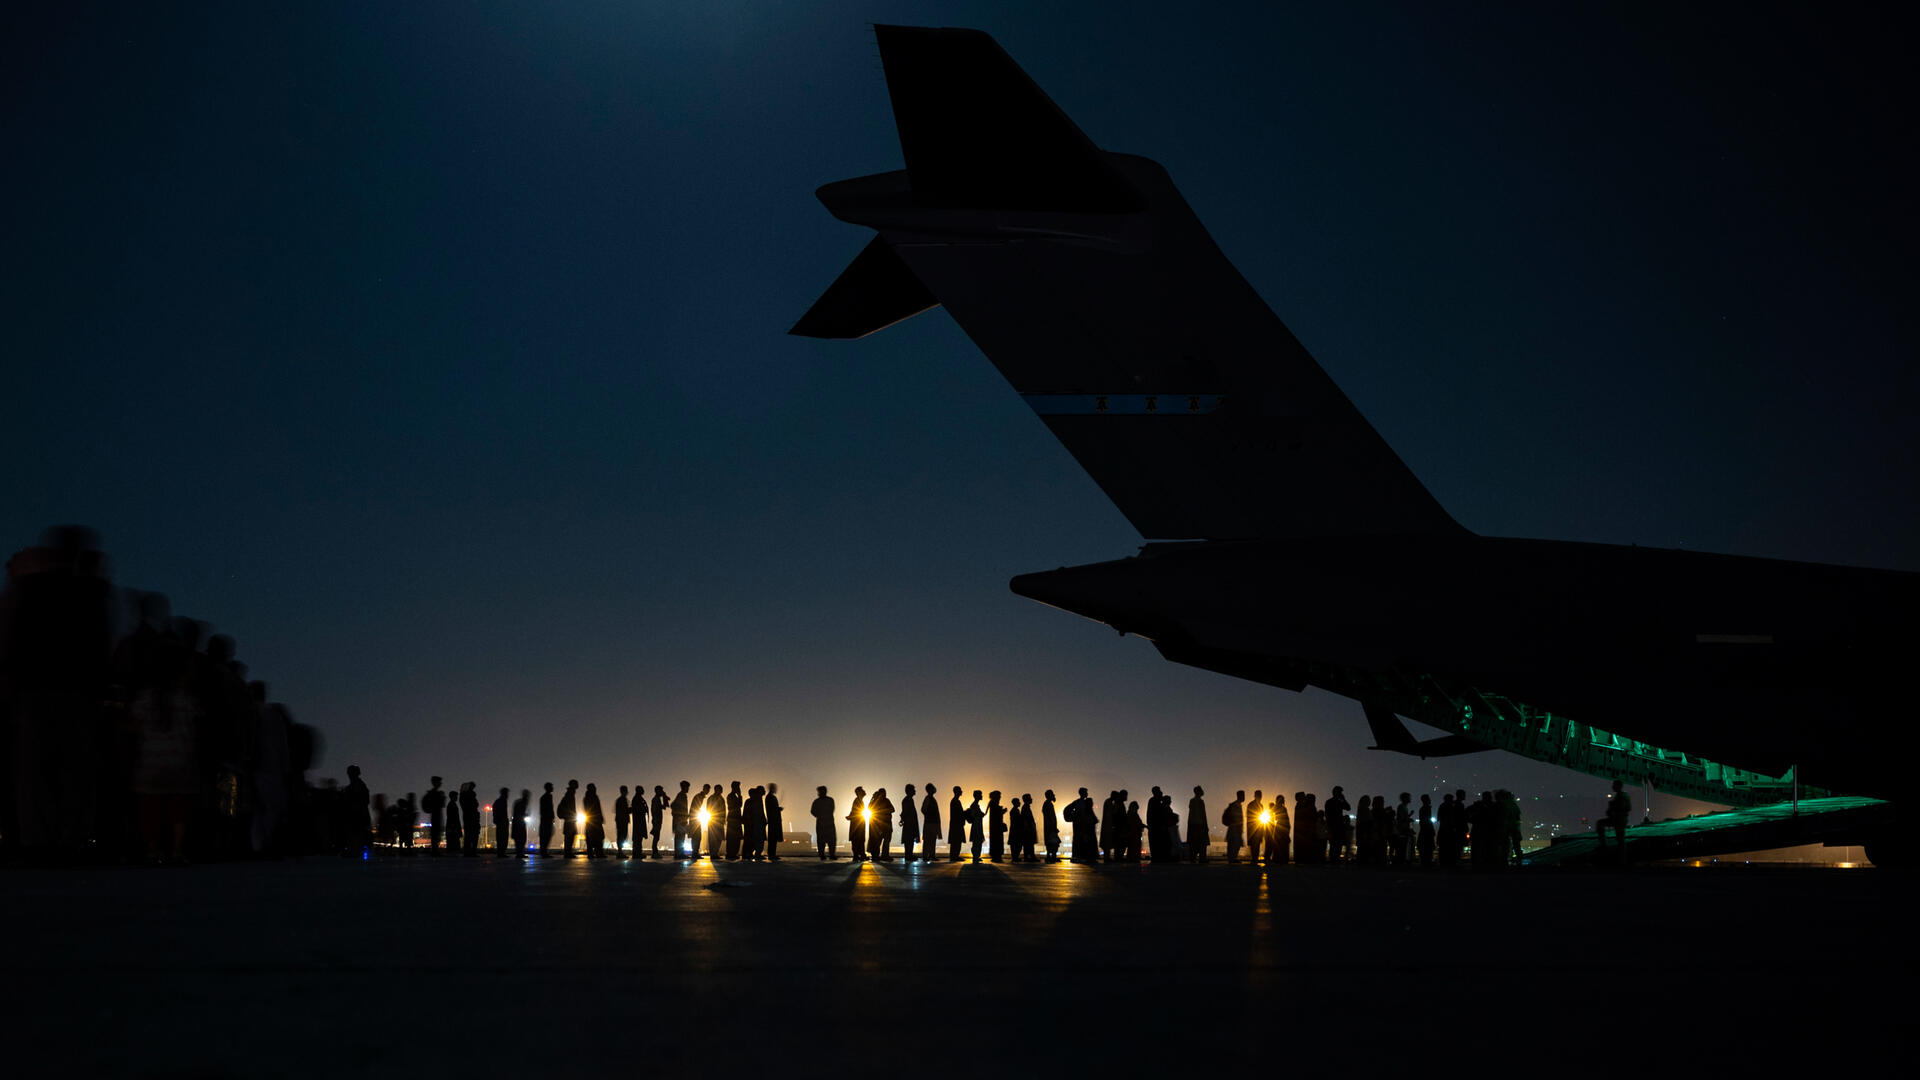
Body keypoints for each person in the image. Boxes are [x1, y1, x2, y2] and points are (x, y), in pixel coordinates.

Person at [1597, 779, 1630, 864]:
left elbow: (1623, 808)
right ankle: (1621, 858)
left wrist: (1613, 809)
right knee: (1620, 839)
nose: (1612, 787)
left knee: (1620, 839)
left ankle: (1621, 858)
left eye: (1614, 785)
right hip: (1619, 819)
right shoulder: (1622, 796)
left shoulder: (1621, 796)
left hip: (1619, 820)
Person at [1066, 787, 1097, 864]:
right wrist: (1074, 817)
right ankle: (1079, 856)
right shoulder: (1078, 802)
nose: (1087, 794)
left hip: (1081, 825)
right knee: (1080, 841)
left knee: (1082, 841)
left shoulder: (1080, 802)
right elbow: (1067, 810)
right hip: (1080, 826)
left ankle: (1082, 856)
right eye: (1086, 792)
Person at [1325, 786, 1351, 864]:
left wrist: (1343, 800)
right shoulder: (1330, 802)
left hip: (1338, 826)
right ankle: (1333, 860)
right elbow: (1328, 816)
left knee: (1337, 844)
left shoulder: (1338, 802)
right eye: (1339, 792)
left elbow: (1348, 808)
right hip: (1334, 826)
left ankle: (1335, 860)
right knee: (1334, 845)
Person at [869, 788, 895, 862]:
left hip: (884, 825)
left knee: (884, 841)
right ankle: (880, 855)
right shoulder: (880, 801)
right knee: (881, 841)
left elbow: (892, 809)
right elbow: (870, 808)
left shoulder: (885, 801)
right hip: (882, 825)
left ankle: (882, 855)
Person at [811, 785, 836, 860]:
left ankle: (823, 855)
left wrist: (819, 816)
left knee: (822, 840)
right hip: (829, 822)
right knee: (830, 840)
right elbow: (832, 810)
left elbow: (813, 811)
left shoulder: (817, 801)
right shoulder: (830, 800)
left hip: (821, 823)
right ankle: (831, 854)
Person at [423, 777, 447, 854]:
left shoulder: (433, 793)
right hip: (436, 815)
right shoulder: (434, 794)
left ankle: (435, 850)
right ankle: (435, 850)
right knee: (435, 833)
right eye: (439, 782)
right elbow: (442, 804)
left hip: (436, 815)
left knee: (436, 833)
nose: (440, 784)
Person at [742, 785, 766, 860]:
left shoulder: (753, 801)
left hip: (753, 824)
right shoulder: (754, 801)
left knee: (751, 840)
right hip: (753, 824)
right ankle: (750, 854)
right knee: (752, 839)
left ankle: (749, 854)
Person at [1499, 789, 1522, 864]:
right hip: (1514, 827)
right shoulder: (1514, 805)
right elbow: (1518, 817)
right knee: (1516, 844)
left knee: (1505, 844)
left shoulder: (1502, 804)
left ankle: (1504, 858)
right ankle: (1518, 857)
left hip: (1506, 827)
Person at [583, 782, 605, 859]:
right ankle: (598, 853)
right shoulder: (592, 797)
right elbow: (597, 809)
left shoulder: (587, 798)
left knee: (591, 838)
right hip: (594, 820)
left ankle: (591, 853)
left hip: (590, 820)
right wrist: (600, 817)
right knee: (597, 837)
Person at [672, 782, 694, 859]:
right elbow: (675, 806)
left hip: (680, 819)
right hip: (680, 820)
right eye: (687, 787)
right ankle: (679, 854)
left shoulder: (680, 795)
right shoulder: (682, 795)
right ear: (684, 787)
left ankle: (679, 853)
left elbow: (673, 805)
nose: (688, 789)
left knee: (680, 837)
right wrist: (682, 816)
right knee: (680, 837)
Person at [1187, 786, 1209, 863]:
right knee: (1202, 842)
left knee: (1194, 843)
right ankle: (1202, 858)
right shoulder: (1200, 801)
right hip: (1200, 825)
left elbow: (1191, 815)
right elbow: (1203, 814)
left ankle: (1193, 858)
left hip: (1192, 825)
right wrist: (1205, 825)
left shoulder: (1192, 801)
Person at [920, 784, 941, 864]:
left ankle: (931, 855)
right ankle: (926, 856)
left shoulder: (931, 799)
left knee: (932, 839)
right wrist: (929, 814)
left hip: (932, 822)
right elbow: (923, 810)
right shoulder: (928, 799)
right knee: (928, 840)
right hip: (930, 823)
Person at [558, 780, 579, 858]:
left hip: (570, 818)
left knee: (570, 835)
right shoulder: (570, 794)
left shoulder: (570, 794)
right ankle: (567, 853)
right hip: (569, 819)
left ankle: (568, 852)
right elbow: (570, 807)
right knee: (569, 835)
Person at [900, 784, 921, 863]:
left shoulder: (908, 800)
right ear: (910, 791)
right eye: (913, 790)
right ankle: (908, 855)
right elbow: (906, 812)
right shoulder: (907, 800)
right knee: (909, 840)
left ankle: (909, 854)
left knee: (910, 840)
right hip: (909, 824)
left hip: (910, 823)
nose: (915, 791)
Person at [1223, 791, 1245, 863]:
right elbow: (1236, 817)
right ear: (1240, 796)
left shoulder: (1236, 804)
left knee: (1234, 844)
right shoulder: (1236, 805)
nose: (1244, 797)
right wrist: (1239, 827)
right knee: (1234, 844)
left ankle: (1232, 858)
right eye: (1243, 795)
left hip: (1234, 828)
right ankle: (1232, 859)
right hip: (1235, 828)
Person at [706, 783, 726, 860]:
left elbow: (724, 810)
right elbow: (709, 809)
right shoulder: (712, 798)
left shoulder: (721, 798)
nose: (721, 791)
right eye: (720, 789)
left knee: (719, 838)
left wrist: (723, 819)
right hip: (713, 821)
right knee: (713, 838)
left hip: (719, 821)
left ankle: (715, 853)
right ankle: (713, 854)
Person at [1099, 790, 1120, 863]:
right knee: (1107, 842)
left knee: (1107, 842)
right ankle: (1106, 858)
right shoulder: (1109, 803)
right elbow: (1113, 813)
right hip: (1108, 825)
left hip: (1107, 825)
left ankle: (1107, 857)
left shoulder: (1108, 801)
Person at [1392, 793, 1414, 866]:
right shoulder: (1401, 807)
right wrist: (1409, 818)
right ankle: (1400, 861)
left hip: (1403, 829)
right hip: (1403, 830)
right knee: (1402, 847)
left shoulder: (1403, 807)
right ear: (1405, 798)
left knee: (1403, 846)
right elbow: (1401, 819)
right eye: (1408, 797)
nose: (1410, 799)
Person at [847, 787, 867, 862]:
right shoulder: (858, 801)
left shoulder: (859, 801)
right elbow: (855, 811)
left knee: (859, 839)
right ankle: (858, 855)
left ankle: (860, 854)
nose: (864, 791)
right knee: (858, 839)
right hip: (858, 823)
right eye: (862, 790)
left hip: (858, 822)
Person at [726, 781, 745, 860]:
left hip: (736, 819)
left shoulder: (735, 796)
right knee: (732, 838)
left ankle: (733, 853)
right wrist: (740, 795)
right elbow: (738, 805)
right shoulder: (730, 796)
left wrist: (740, 796)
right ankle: (730, 853)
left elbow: (739, 805)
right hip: (733, 819)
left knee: (736, 838)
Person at [765, 783, 784, 861]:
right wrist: (778, 809)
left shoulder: (769, 797)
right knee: (773, 838)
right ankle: (771, 854)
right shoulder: (770, 797)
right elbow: (772, 809)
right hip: (774, 821)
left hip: (773, 820)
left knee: (773, 838)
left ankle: (772, 854)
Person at [965, 791, 986, 863]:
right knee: (977, 841)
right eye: (980, 795)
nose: (981, 796)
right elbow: (974, 815)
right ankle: (975, 856)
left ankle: (976, 856)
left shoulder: (975, 805)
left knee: (977, 841)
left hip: (977, 825)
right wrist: (980, 815)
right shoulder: (974, 805)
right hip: (976, 826)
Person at [1016, 793, 1038, 861]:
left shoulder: (1026, 807)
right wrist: (1028, 828)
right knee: (1029, 843)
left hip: (1028, 828)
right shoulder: (1025, 807)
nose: (1031, 799)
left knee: (1028, 843)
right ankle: (1030, 857)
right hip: (1028, 829)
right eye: (1030, 798)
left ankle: (1028, 856)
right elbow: (1026, 819)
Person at [1416, 794, 1436, 868]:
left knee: (1425, 848)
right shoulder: (1426, 809)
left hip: (1424, 831)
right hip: (1427, 831)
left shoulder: (1422, 809)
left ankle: (1425, 863)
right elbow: (1427, 821)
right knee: (1428, 848)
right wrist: (1431, 829)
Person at [987, 791, 1007, 863]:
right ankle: (996, 856)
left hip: (995, 827)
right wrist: (1002, 812)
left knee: (996, 841)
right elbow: (996, 815)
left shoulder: (992, 803)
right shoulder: (994, 804)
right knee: (997, 841)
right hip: (996, 828)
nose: (1000, 797)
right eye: (999, 796)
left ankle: (996, 855)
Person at [1271, 796, 1291, 865]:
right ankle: (1280, 859)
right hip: (1281, 826)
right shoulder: (1281, 808)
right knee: (1280, 844)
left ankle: (1279, 859)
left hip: (1282, 826)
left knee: (1281, 844)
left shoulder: (1282, 808)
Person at [650, 785, 669, 858]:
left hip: (657, 820)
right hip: (656, 820)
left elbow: (665, 806)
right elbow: (655, 810)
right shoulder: (656, 799)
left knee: (656, 837)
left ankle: (655, 852)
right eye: (661, 791)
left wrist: (664, 796)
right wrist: (655, 820)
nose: (662, 792)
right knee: (656, 837)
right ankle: (654, 852)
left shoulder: (657, 799)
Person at [948, 786, 966, 863]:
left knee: (956, 841)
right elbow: (958, 814)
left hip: (956, 824)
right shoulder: (955, 801)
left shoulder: (955, 801)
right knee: (956, 840)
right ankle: (954, 856)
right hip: (956, 825)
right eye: (960, 790)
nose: (961, 792)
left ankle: (955, 856)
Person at [1042, 790, 1061, 862]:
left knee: (1051, 842)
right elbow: (1050, 817)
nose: (1054, 796)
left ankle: (1050, 856)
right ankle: (1052, 856)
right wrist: (1053, 827)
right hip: (1050, 827)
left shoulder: (1047, 804)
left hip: (1049, 827)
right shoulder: (1048, 804)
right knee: (1053, 842)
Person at [538, 782, 555, 857]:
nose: (552, 788)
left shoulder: (544, 797)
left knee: (546, 835)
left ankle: (544, 852)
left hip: (546, 819)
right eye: (551, 786)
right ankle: (544, 852)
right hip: (546, 820)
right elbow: (547, 809)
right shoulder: (546, 797)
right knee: (546, 835)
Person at [512, 789, 530, 857]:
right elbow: (519, 814)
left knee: (520, 840)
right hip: (519, 825)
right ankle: (519, 853)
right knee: (521, 839)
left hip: (518, 824)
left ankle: (519, 853)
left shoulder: (519, 803)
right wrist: (525, 815)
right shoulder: (521, 803)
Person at [491, 788, 509, 857]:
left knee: (501, 837)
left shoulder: (499, 801)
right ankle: (501, 852)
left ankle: (501, 852)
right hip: (502, 821)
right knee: (503, 837)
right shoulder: (502, 801)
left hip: (500, 821)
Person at [614, 785, 630, 856]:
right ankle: (620, 852)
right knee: (621, 836)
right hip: (622, 821)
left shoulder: (622, 800)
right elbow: (623, 810)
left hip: (622, 820)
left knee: (622, 836)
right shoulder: (621, 800)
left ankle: (620, 851)